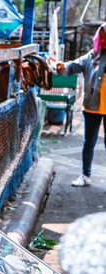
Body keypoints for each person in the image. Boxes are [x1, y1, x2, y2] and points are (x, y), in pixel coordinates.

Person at [56, 22, 106, 187]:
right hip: (92, 106)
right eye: (102, 37)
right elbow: (72, 66)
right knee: (89, 142)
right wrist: (62, 67)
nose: (104, 40)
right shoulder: (92, 56)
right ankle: (85, 175)